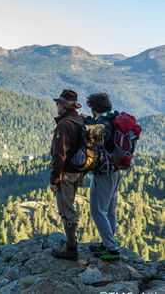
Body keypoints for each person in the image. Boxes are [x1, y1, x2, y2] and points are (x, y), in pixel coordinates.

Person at [49, 89, 85, 261]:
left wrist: (54, 180)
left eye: (58, 104)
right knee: (69, 206)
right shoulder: (81, 119)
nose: (56, 106)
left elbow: (59, 156)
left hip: (67, 174)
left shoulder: (64, 125)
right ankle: (71, 242)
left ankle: (71, 248)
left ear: (62, 106)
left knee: (66, 210)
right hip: (79, 172)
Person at [85, 93, 121, 261]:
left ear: (93, 108)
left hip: (103, 173)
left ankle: (112, 249)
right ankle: (107, 243)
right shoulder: (112, 119)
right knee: (110, 211)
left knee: (98, 211)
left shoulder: (102, 124)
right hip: (115, 170)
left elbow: (93, 143)